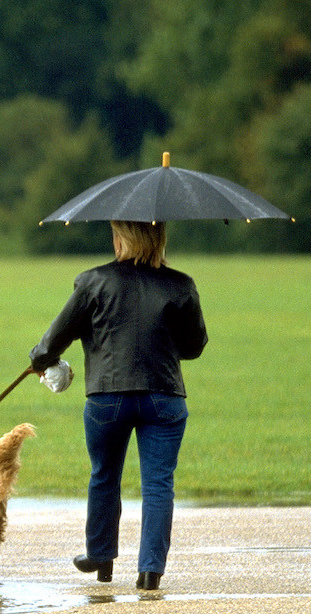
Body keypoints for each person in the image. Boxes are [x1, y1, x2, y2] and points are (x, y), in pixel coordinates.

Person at [29, 220, 207, 591]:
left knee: (104, 475)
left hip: (107, 397)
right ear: (160, 236)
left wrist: (40, 360)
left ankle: (101, 556)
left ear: (121, 237)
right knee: (158, 484)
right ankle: (150, 572)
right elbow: (193, 348)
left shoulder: (93, 281)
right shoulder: (181, 284)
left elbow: (53, 341)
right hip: (165, 396)